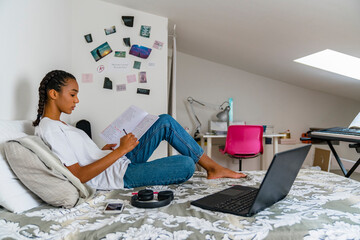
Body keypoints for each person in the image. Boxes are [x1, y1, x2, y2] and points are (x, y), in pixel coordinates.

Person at [33, 70, 246, 190]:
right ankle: (210, 168)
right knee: (185, 164)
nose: (76, 100)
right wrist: (119, 151)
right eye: (72, 94)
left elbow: (85, 158)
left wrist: (106, 150)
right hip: (119, 175)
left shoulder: (60, 125)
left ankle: (213, 168)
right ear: (53, 94)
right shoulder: (49, 129)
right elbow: (78, 175)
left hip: (117, 160)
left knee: (164, 121)